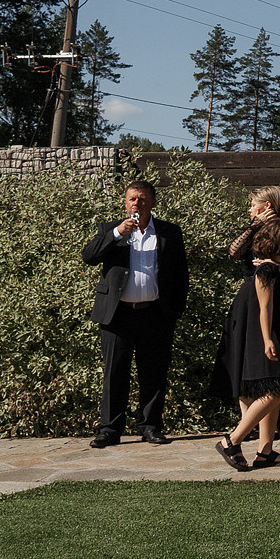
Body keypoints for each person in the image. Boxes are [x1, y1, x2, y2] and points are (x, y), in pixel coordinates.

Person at [82, 177, 187, 448]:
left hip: (155, 314)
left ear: (152, 202)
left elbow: (181, 276)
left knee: (153, 373)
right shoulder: (110, 230)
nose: (136, 203)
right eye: (132, 199)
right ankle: (109, 430)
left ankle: (151, 427)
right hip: (117, 315)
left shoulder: (169, 232)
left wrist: (173, 311)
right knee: (114, 372)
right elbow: (89, 256)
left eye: (142, 199)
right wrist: (117, 232)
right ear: (125, 202)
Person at [215, 217, 280, 470]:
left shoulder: (275, 268)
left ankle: (265, 452)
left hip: (274, 333)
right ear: (279, 242)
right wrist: (267, 339)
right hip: (265, 335)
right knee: (276, 389)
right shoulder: (266, 270)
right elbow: (264, 307)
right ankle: (232, 440)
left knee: (271, 388)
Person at [214, 185, 280, 408]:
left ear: (266, 205)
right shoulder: (254, 228)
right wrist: (254, 226)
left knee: (269, 366)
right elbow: (234, 251)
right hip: (249, 299)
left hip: (272, 297)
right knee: (242, 356)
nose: (249, 210)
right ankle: (247, 422)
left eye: (252, 205)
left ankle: (263, 427)